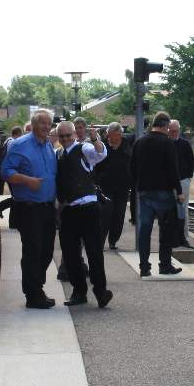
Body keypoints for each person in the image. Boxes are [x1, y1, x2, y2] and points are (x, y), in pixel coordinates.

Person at [0, 110, 60, 308]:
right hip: (29, 208)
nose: (46, 127)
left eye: (49, 124)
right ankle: (33, 295)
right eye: (42, 123)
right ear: (33, 124)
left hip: (47, 208)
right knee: (33, 251)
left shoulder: (48, 146)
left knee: (46, 251)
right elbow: (6, 171)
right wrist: (27, 181)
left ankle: (37, 287)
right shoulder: (20, 145)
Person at [54, 121, 113, 308]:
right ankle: (79, 291)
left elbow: (100, 154)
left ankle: (101, 291)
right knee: (70, 254)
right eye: (61, 136)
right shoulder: (58, 154)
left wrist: (95, 138)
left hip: (88, 208)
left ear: (74, 134)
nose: (65, 139)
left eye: (68, 135)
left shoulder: (84, 148)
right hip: (69, 210)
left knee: (94, 252)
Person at [130, 111, 183, 277]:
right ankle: (164, 265)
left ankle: (144, 267)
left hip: (144, 193)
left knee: (144, 230)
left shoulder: (140, 142)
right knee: (165, 230)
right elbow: (173, 170)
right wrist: (179, 191)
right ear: (166, 125)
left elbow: (131, 167)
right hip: (164, 192)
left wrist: (137, 186)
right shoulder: (167, 143)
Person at [92, 122, 132, 250]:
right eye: (113, 135)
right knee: (105, 213)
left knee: (119, 215)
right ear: (108, 134)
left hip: (123, 186)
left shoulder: (127, 145)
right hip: (105, 186)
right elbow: (95, 164)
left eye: (118, 135)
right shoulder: (102, 145)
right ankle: (100, 240)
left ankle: (113, 240)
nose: (116, 138)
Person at [167, 119, 194, 247]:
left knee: (183, 209)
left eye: (175, 131)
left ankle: (183, 236)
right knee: (170, 210)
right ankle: (172, 236)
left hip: (183, 180)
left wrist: (188, 177)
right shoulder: (166, 143)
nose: (173, 133)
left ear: (179, 130)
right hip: (168, 182)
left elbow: (191, 161)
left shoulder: (185, 144)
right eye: (171, 131)